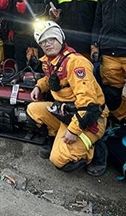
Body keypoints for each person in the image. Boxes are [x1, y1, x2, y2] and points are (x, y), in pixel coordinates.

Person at [27, 21, 108, 176]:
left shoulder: (76, 63)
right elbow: (50, 79)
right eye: (43, 42)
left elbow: (89, 105)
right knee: (32, 110)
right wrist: (39, 86)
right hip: (66, 113)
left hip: (90, 118)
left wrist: (73, 130)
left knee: (59, 160)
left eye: (51, 39)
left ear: (60, 39)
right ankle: (57, 138)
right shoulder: (50, 61)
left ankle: (97, 150)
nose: (47, 44)